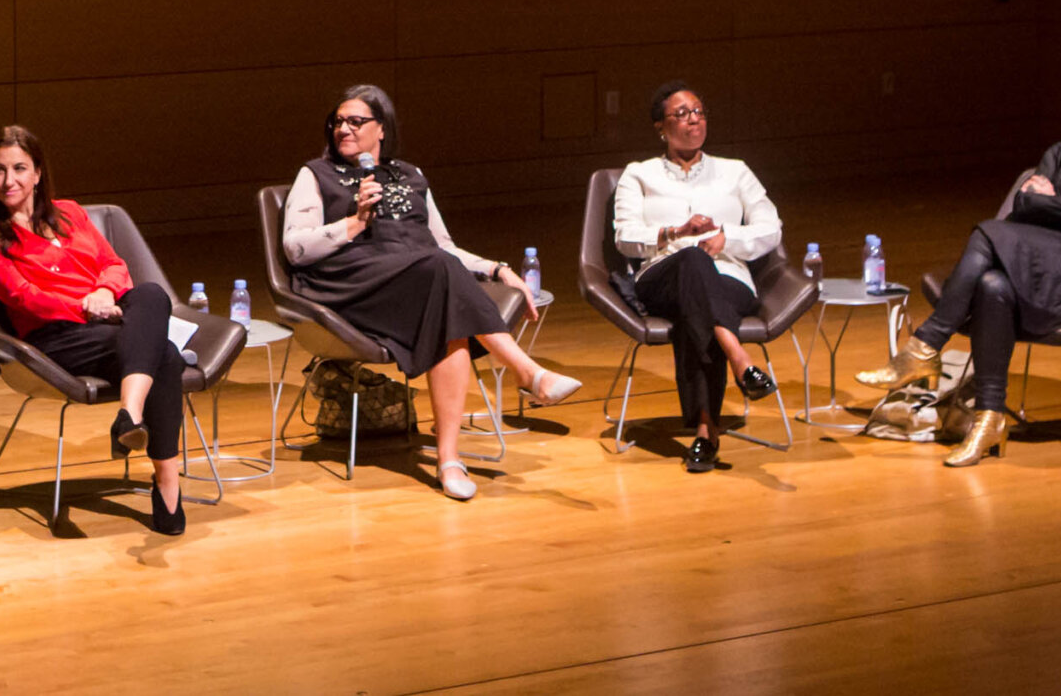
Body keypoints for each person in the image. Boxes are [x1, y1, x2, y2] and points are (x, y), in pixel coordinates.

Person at [860, 37, 1061, 465]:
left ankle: (924, 346)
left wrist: (1055, 203)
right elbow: (1026, 206)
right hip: (1045, 262)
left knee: (990, 233)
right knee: (992, 284)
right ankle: (989, 419)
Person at [281, 84, 582, 501]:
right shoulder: (316, 174)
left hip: (418, 280)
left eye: (356, 121)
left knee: (444, 303)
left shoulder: (411, 175)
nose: (343, 129)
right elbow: (295, 248)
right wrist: (354, 222)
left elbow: (443, 246)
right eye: (338, 121)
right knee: (439, 273)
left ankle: (449, 460)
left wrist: (497, 269)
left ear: (381, 129)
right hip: (349, 284)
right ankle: (527, 373)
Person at [0, 126, 194, 534]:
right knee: (166, 354)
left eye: (20, 168)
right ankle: (166, 483)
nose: (9, 180)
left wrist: (104, 292)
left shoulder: (70, 212)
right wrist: (88, 308)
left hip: (107, 318)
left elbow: (114, 264)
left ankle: (129, 416)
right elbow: (23, 296)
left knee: (152, 294)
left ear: (38, 173)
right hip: (54, 336)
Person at [611, 84, 785, 472]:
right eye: (682, 113)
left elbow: (771, 227)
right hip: (661, 278)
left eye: (699, 111)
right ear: (660, 127)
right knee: (691, 260)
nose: (694, 119)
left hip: (728, 277)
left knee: (699, 307)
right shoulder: (639, 174)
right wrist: (675, 232)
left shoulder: (735, 170)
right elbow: (625, 237)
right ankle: (739, 358)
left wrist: (727, 238)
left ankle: (707, 431)